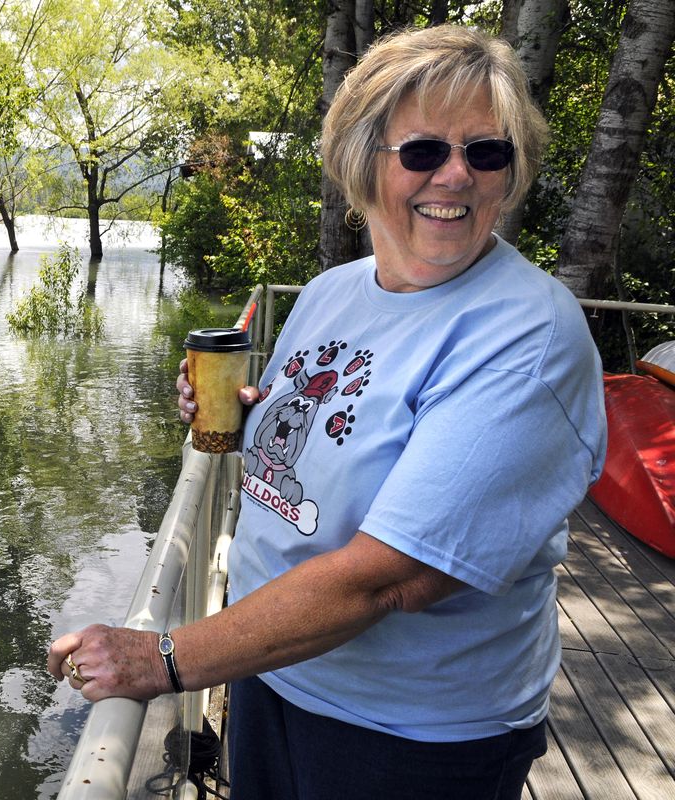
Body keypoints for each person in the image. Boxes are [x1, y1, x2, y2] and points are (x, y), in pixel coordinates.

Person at [47, 24, 607, 799]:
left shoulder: (526, 335)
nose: (457, 176)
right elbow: (314, 436)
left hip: (409, 738)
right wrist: (240, 420)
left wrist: (165, 659)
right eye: (423, 152)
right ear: (360, 161)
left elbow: (389, 580)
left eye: (486, 152)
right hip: (272, 675)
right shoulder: (330, 294)